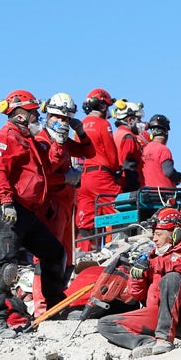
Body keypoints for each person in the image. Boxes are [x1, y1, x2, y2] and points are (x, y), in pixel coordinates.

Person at [0, 90, 66, 339]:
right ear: (21, 115)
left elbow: (49, 165)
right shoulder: (4, 138)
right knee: (5, 264)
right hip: (7, 208)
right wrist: (6, 200)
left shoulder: (27, 139)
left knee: (54, 253)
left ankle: (55, 308)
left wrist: (59, 142)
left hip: (25, 211)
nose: (37, 117)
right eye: (33, 113)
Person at [96, 208, 181, 357]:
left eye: (159, 234)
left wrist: (153, 264)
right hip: (158, 315)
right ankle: (147, 343)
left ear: (175, 233)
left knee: (172, 277)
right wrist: (137, 277)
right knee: (105, 324)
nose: (154, 239)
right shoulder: (151, 256)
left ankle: (164, 340)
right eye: (154, 234)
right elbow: (136, 295)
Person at [35, 93, 92, 271]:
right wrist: (65, 177)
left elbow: (89, 152)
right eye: (58, 117)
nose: (62, 122)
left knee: (67, 257)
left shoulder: (64, 141)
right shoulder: (41, 141)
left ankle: (62, 287)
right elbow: (43, 175)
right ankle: (41, 290)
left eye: (66, 118)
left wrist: (81, 133)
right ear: (48, 116)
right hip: (51, 205)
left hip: (66, 204)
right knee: (48, 254)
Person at [75, 88, 121, 250]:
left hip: (83, 178)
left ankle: (83, 254)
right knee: (120, 212)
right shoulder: (103, 124)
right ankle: (118, 250)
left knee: (85, 221)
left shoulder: (80, 125)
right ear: (102, 106)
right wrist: (117, 169)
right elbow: (112, 156)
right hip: (101, 177)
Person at [141, 114, 181, 189]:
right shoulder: (163, 150)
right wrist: (180, 177)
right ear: (166, 132)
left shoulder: (145, 149)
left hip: (146, 192)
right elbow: (169, 172)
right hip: (163, 193)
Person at [111, 100, 146, 193]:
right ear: (130, 120)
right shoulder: (128, 137)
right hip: (128, 187)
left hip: (120, 185)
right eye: (139, 120)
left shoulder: (117, 134)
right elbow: (128, 165)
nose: (141, 123)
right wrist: (135, 189)